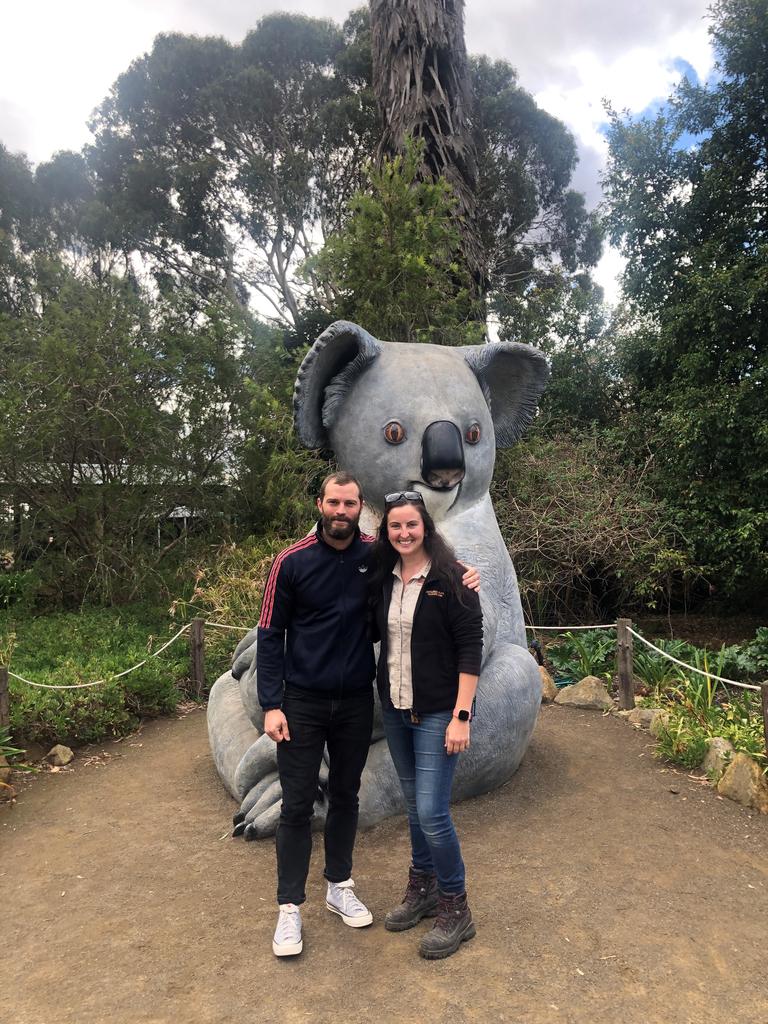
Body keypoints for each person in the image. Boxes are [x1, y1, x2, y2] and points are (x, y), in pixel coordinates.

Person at [256, 473, 479, 958]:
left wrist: (464, 573)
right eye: (333, 501)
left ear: (362, 509)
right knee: (297, 805)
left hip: (357, 699)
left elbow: (428, 570)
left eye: (350, 503)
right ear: (320, 504)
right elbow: (270, 635)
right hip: (302, 703)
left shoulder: (372, 557)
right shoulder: (290, 563)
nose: (341, 510)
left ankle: (339, 884)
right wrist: (271, 703)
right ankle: (289, 908)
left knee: (345, 795)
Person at [369, 490, 483, 960]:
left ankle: (457, 906)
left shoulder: (454, 579)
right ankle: (424, 887)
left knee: (433, 811)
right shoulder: (381, 577)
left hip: (438, 712)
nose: (403, 533)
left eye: (411, 525)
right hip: (396, 708)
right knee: (415, 808)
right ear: (386, 530)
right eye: (395, 526)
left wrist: (462, 715)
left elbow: (470, 650)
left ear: (426, 527)